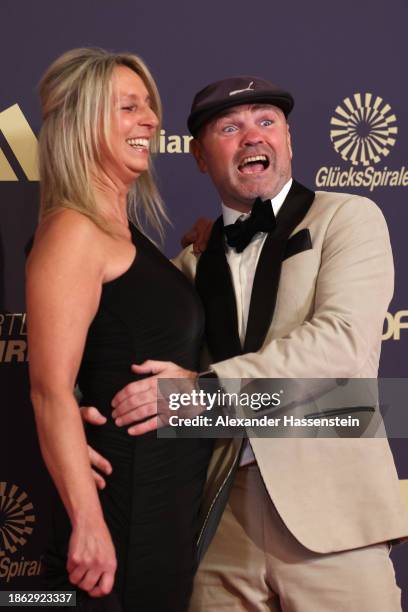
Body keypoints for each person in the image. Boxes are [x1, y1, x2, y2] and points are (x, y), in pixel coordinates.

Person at [84, 76, 408, 611]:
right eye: (229, 128)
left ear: (289, 138)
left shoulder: (348, 217)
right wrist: (73, 406)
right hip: (218, 521)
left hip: (331, 519)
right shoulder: (186, 264)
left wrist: (203, 393)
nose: (252, 137)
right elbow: (129, 350)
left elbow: (342, 346)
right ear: (198, 156)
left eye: (266, 121)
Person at [26, 47, 213, 611]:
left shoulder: (128, 236)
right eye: (128, 107)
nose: (151, 120)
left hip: (162, 508)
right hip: (121, 504)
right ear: (84, 123)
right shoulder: (73, 232)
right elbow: (49, 389)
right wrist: (87, 522)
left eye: (149, 106)